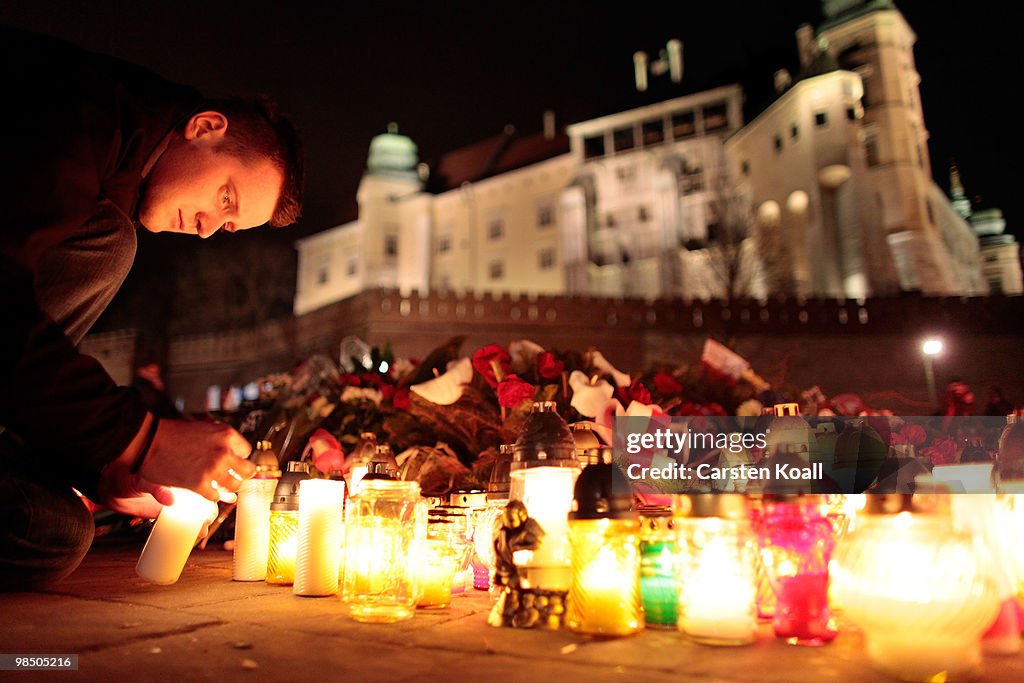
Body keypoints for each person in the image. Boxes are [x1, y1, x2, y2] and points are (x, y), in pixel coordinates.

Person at [0, 25, 304, 590]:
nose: (211, 229)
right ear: (205, 127)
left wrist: (109, 465)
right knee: (110, 245)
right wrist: (146, 438)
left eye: (230, 223)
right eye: (226, 197)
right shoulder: (71, 109)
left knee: (54, 531)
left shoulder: (111, 180)